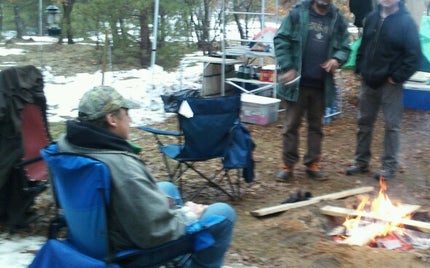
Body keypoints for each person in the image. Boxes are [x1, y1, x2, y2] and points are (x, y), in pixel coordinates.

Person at [56, 86, 236, 267]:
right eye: (126, 113)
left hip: (92, 234)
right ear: (112, 119)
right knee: (223, 213)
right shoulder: (120, 166)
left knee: (167, 188)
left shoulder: (65, 148)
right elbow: (151, 233)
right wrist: (188, 215)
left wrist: (157, 204)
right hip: (123, 251)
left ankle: (175, 260)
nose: (130, 119)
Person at [273, 0, 351, 181]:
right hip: (297, 83)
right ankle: (288, 165)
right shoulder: (297, 14)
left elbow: (345, 46)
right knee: (291, 125)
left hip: (322, 84)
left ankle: (312, 164)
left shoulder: (338, 19)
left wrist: (337, 59)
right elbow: (280, 39)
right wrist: (288, 67)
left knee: (316, 127)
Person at [345, 0, 421, 180]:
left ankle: (389, 166)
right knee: (364, 122)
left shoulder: (406, 22)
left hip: (390, 84)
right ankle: (361, 161)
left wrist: (397, 77)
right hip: (369, 80)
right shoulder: (371, 18)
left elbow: (414, 56)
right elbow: (364, 46)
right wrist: (360, 68)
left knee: (391, 125)